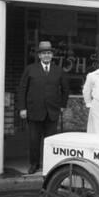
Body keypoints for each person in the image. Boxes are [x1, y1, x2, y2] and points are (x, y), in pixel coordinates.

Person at [18, 41, 69, 174]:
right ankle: (34, 164)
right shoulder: (30, 69)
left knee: (50, 141)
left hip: (52, 112)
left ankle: (49, 164)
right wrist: (22, 108)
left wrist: (62, 105)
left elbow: (65, 90)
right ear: (39, 56)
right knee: (34, 140)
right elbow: (22, 89)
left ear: (52, 55)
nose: (46, 55)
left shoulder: (58, 70)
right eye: (44, 53)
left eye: (49, 53)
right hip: (34, 111)